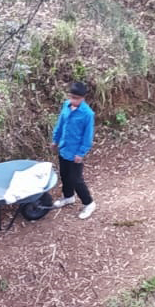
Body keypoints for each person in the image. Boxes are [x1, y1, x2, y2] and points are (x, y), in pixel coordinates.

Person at [51, 81, 97, 220]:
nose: (73, 100)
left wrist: (81, 153)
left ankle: (89, 203)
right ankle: (68, 197)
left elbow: (87, 136)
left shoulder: (87, 114)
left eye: (76, 98)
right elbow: (60, 124)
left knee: (76, 179)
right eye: (71, 97)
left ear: (83, 98)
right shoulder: (66, 106)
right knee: (64, 175)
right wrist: (55, 140)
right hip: (64, 148)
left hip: (75, 152)